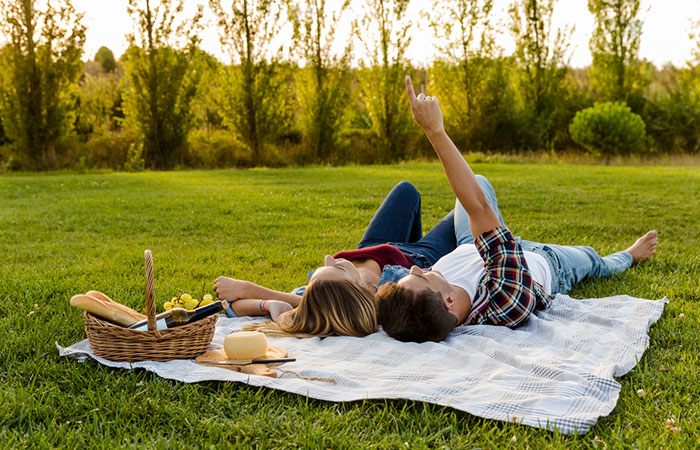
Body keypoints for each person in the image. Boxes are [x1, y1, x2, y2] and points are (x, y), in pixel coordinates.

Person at [375, 76, 658, 343]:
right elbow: (480, 207)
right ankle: (630, 254)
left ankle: (498, 240)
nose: (413, 268)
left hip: (471, 245)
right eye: (420, 275)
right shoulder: (504, 300)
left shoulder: (417, 304)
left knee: (480, 182)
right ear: (449, 302)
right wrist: (434, 131)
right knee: (595, 260)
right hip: (548, 262)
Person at [213, 180, 458, 337]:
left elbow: (234, 309)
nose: (329, 258)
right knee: (464, 208)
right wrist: (250, 288)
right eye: (339, 268)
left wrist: (266, 303)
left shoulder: (321, 294)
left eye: (325, 267)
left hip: (373, 246)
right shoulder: (386, 299)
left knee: (407, 190)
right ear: (360, 290)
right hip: (419, 258)